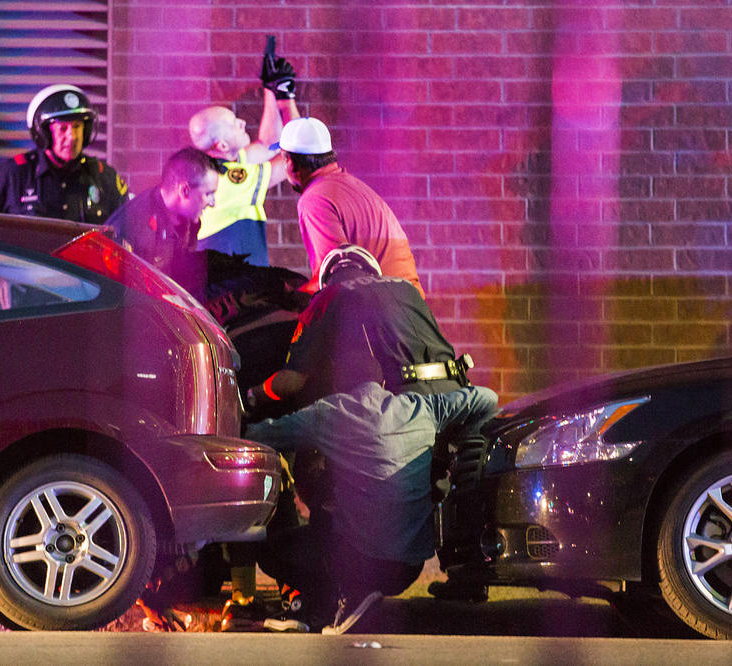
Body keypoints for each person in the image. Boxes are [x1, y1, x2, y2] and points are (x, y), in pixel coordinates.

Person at [242, 244, 498, 634]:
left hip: (396, 397)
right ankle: (467, 577)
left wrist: (252, 397)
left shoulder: (329, 298)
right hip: (443, 400)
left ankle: (329, 594)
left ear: (329, 277)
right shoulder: (406, 289)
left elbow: (292, 381)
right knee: (430, 494)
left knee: (336, 481)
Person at [272, 117, 424, 296]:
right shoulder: (353, 186)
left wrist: (282, 301)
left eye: (283, 159)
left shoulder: (315, 199)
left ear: (291, 163)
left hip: (383, 311)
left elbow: (335, 275)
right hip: (408, 306)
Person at [187, 36, 301, 266]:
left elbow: (270, 142)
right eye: (232, 124)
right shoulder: (229, 181)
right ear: (222, 145)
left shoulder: (221, 165)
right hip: (238, 291)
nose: (240, 122)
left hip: (234, 284)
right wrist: (286, 99)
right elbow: (296, 154)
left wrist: (270, 88)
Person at [0, 84, 129, 223]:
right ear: (43, 133)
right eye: (63, 129)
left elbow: (128, 233)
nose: (72, 137)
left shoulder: (104, 177)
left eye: (77, 127)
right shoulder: (10, 176)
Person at [104, 147, 219, 299]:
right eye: (208, 193)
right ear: (184, 191)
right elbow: (119, 297)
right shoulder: (134, 227)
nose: (213, 203)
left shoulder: (188, 222)